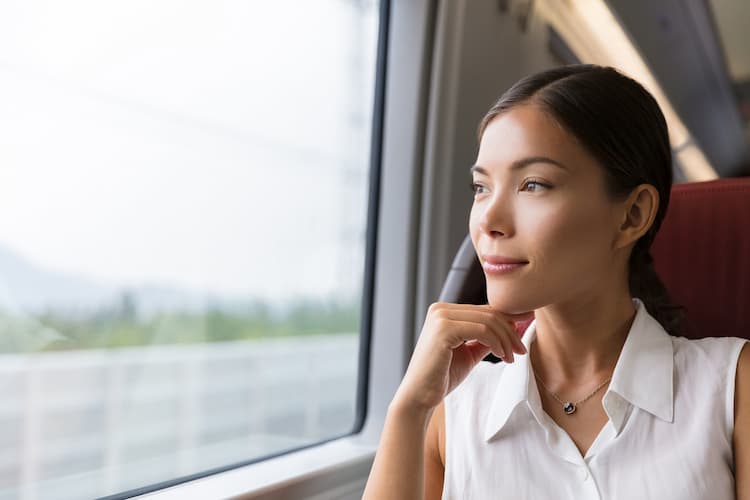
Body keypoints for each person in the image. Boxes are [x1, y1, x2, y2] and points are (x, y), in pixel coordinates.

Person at [361, 64, 750, 499]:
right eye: (480, 187)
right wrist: (409, 408)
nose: (488, 220)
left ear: (632, 215)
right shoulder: (451, 411)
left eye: (533, 184)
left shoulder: (733, 387)